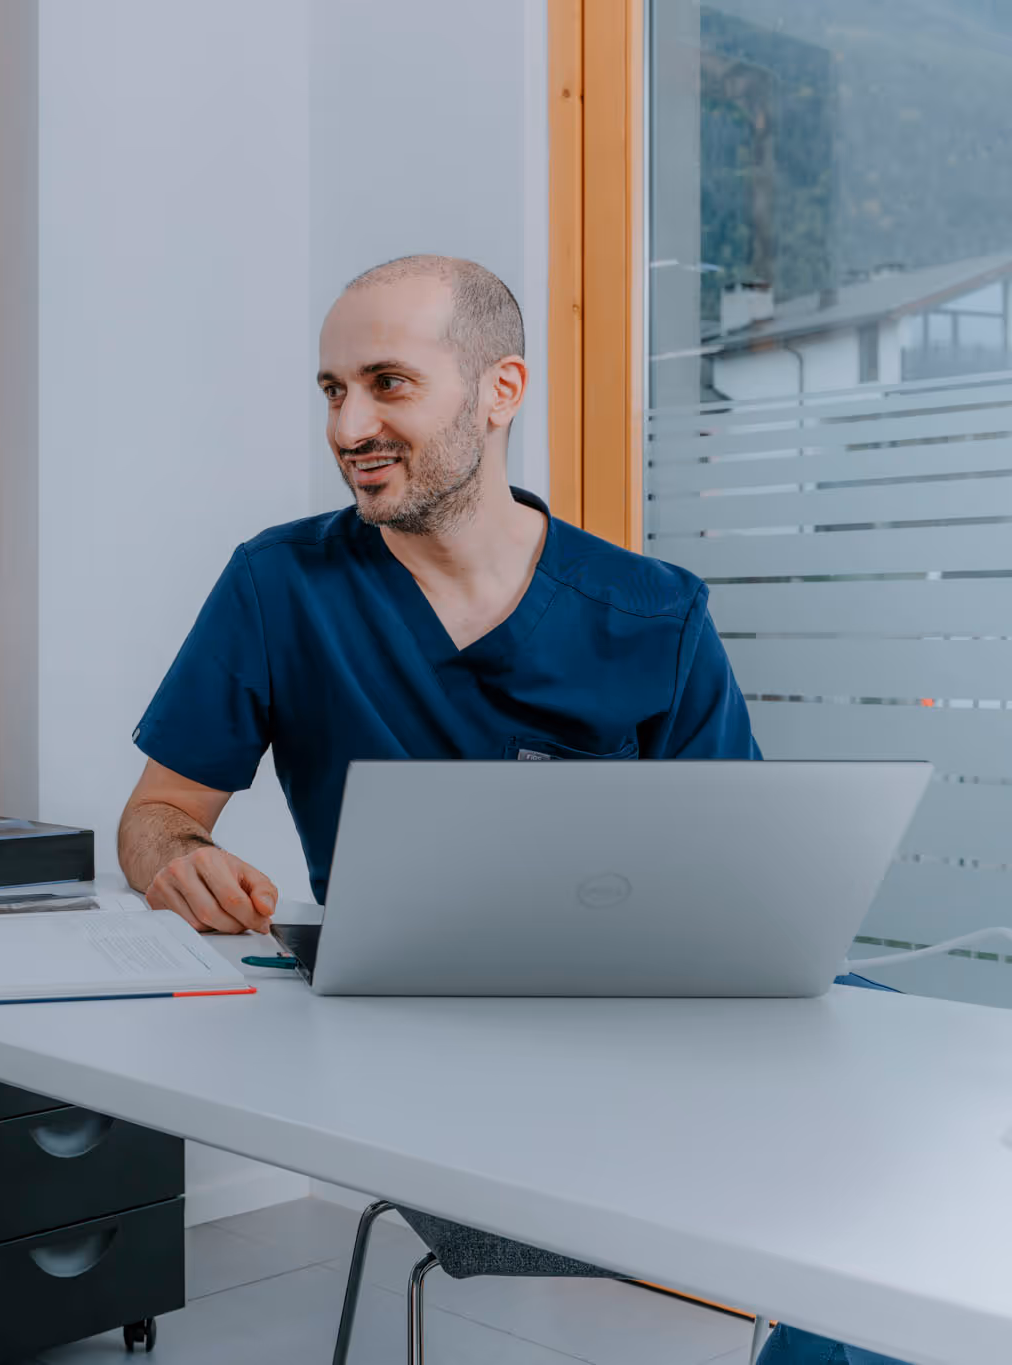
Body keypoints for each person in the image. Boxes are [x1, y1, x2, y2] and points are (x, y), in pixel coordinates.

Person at [117, 254, 895, 1365]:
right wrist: (174, 857)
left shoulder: (651, 611)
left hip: (649, 1022)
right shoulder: (277, 585)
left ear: (499, 390)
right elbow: (152, 813)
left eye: (387, 383)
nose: (348, 426)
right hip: (428, 1047)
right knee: (856, 1181)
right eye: (331, 391)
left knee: (913, 1099)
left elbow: (746, 885)